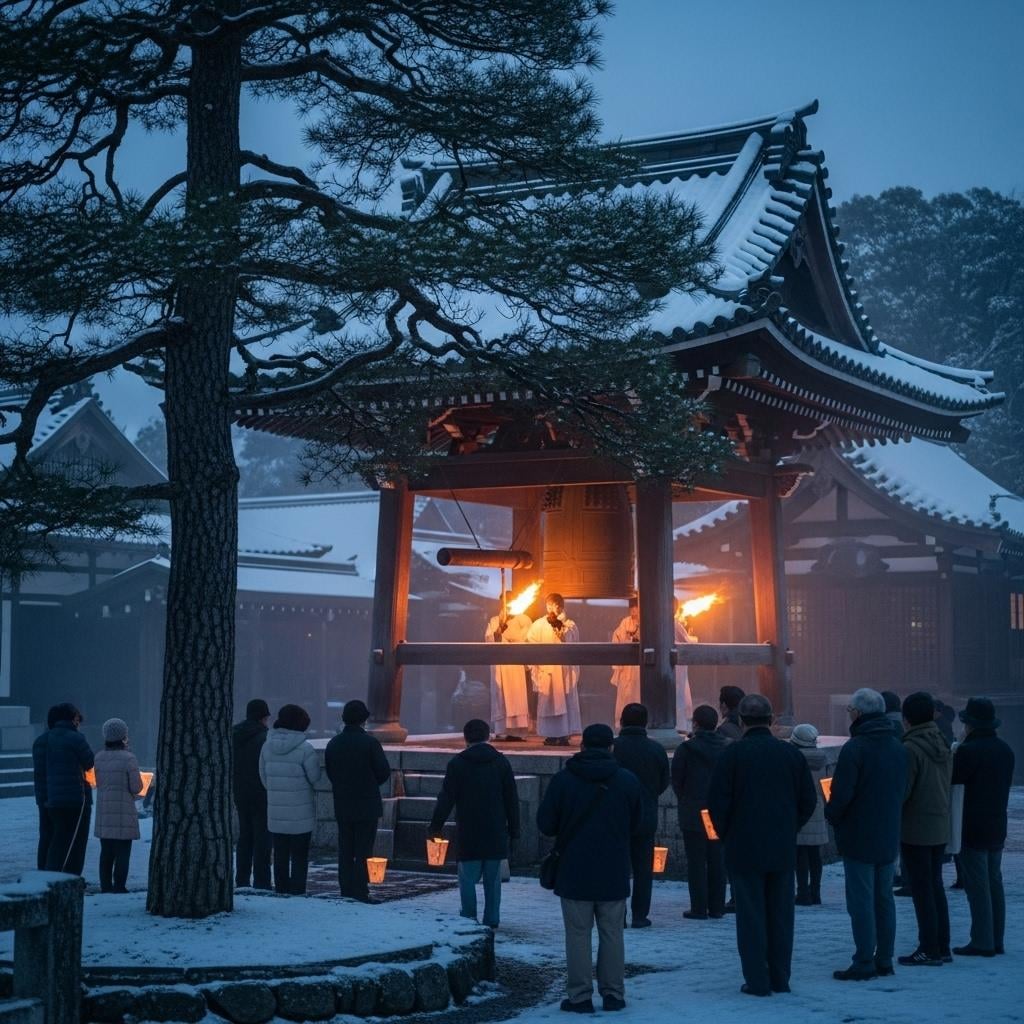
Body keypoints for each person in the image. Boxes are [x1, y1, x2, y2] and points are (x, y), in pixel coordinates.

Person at [707, 694, 816, 997]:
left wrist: (729, 833)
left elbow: (717, 803)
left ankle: (757, 980)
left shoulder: (732, 755)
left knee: (751, 915)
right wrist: (789, 827)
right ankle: (780, 977)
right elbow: (808, 800)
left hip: (743, 847)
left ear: (741, 720)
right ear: (770, 720)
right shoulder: (790, 755)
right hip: (781, 846)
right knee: (781, 914)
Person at [537, 723, 644, 1013]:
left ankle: (580, 996)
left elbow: (545, 824)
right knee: (612, 933)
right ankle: (613, 993)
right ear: (611, 747)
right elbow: (638, 825)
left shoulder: (563, 780)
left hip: (574, 869)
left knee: (577, 934)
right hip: (613, 867)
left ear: (582, 746)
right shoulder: (627, 781)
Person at [824, 688, 906, 981]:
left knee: (861, 901)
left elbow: (842, 794)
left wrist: (832, 815)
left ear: (857, 713)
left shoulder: (856, 748)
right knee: (884, 898)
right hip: (888, 832)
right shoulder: (898, 746)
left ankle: (863, 960)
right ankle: (885, 958)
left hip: (859, 833)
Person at [428, 719, 520, 929]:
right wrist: (514, 831)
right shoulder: (501, 763)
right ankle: (492, 919)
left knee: (467, 879)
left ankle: (469, 918)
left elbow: (446, 798)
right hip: (496, 829)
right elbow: (511, 799)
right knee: (493, 881)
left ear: (466, 737)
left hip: (468, 830)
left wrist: (435, 826)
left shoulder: (458, 764)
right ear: (488, 736)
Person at [951, 697, 1015, 957]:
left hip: (972, 825)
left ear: (970, 725)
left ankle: (982, 941)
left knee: (977, 886)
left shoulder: (968, 751)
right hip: (997, 823)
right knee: (994, 882)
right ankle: (996, 938)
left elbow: (954, 779)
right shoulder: (1004, 749)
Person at [898, 690, 953, 966]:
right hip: (939, 823)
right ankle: (942, 946)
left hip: (916, 827)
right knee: (935, 886)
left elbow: (903, 791)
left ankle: (928, 948)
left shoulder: (910, 748)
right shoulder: (942, 741)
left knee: (922, 890)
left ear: (906, 719)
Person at [324, 699, 391, 902]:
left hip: (343, 802)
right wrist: (370, 783)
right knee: (364, 849)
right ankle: (361, 890)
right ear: (364, 720)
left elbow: (331, 772)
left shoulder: (334, 743)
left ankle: (345, 889)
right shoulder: (370, 743)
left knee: (345, 848)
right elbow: (383, 772)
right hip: (367, 803)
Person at [612, 703, 669, 928]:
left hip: (617, 816)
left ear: (622, 721)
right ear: (646, 723)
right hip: (646, 814)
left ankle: (619, 913)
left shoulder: (614, 748)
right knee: (644, 868)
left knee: (619, 866)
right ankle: (640, 914)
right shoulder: (656, 749)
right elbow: (664, 781)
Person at [671, 704, 728, 920]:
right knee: (716, 858)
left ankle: (698, 907)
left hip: (694, 810)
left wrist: (686, 799)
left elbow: (677, 780)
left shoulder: (686, 749)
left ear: (695, 723)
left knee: (696, 860)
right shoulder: (726, 747)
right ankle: (717, 906)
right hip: (717, 813)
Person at [259, 703, 320, 896]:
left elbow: (263, 777)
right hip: (301, 813)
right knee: (299, 855)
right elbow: (315, 778)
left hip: (276, 812)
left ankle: (281, 888)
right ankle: (297, 890)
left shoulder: (266, 746)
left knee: (280, 854)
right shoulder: (305, 749)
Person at [93, 718, 143, 893]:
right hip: (124, 812)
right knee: (123, 851)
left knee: (106, 852)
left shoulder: (98, 757)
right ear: (124, 736)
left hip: (104, 811)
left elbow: (98, 782)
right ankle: (119, 886)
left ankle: (105, 886)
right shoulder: (129, 758)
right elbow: (136, 787)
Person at [43, 702, 94, 875]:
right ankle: (72, 878)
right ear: (73, 718)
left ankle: (51, 876)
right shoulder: (76, 738)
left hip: (54, 798)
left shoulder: (47, 738)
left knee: (58, 840)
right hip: (75, 799)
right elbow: (89, 762)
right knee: (77, 843)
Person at [527, 593, 581, 746]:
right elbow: (531, 641)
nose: (551, 609)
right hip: (547, 669)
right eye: (549, 605)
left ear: (561, 606)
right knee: (547, 703)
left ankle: (564, 734)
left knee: (564, 701)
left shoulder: (569, 624)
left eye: (555, 606)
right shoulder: (539, 624)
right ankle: (550, 734)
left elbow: (571, 640)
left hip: (563, 672)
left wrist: (559, 627)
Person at [233, 697, 272, 889]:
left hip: (240, 792)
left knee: (245, 836)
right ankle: (262, 880)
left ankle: (241, 878)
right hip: (261, 793)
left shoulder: (234, 735)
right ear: (263, 717)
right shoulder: (265, 738)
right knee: (262, 838)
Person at [485, 593, 533, 740]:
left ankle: (518, 732)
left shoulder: (523, 619)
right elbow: (489, 639)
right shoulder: (495, 619)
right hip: (500, 665)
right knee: (501, 696)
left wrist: (508, 630)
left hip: (514, 663)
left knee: (515, 696)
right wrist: (499, 629)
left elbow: (526, 638)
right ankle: (502, 731)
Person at [790, 723, 828, 906]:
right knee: (815, 856)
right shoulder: (823, 759)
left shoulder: (794, 759)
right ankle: (816, 892)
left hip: (800, 810)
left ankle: (802, 893)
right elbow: (828, 787)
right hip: (818, 809)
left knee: (800, 855)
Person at [32, 705, 62, 870]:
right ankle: (53, 869)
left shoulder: (40, 741)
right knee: (58, 835)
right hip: (57, 795)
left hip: (42, 794)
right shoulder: (60, 741)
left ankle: (42, 868)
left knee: (45, 835)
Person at [610, 599, 640, 725]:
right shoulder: (625, 622)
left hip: (639, 666)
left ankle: (639, 721)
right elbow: (617, 638)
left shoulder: (647, 621)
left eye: (636, 607)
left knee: (638, 693)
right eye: (631, 607)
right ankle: (623, 722)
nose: (633, 610)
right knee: (625, 695)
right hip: (627, 666)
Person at [673, 602, 696, 735]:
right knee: (679, 695)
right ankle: (679, 725)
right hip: (677, 665)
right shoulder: (675, 623)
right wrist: (692, 637)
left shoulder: (674, 623)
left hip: (675, 665)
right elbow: (687, 643)